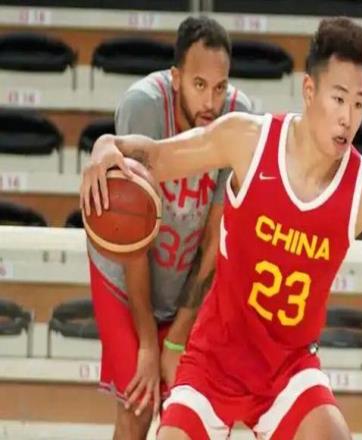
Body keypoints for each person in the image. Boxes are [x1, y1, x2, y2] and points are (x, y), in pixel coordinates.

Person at [82, 17, 362, 440]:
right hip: (213, 361)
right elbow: (158, 158)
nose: (348, 117)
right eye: (338, 99)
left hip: (287, 370)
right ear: (309, 91)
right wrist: (107, 145)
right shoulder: (249, 140)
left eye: (359, 104)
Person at [80, 16, 252, 440]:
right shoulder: (143, 106)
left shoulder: (238, 118)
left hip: (187, 274)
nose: (210, 100)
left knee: (189, 413)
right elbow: (133, 238)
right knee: (138, 406)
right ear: (176, 78)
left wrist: (176, 339)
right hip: (124, 271)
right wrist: (147, 342)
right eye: (199, 85)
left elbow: (215, 240)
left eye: (220, 87)